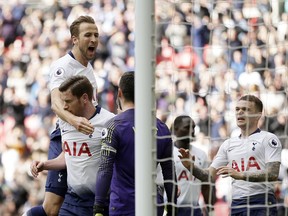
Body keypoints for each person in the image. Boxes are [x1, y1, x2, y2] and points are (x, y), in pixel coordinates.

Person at [24, 15, 100, 216]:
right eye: (88, 35)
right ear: (74, 39)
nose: (93, 39)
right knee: (51, 208)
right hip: (66, 137)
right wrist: (76, 121)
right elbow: (56, 103)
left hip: (85, 140)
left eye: (96, 35)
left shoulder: (89, 70)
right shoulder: (63, 66)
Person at [179, 94, 282, 216]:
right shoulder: (228, 144)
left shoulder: (268, 138)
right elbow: (209, 176)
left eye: (246, 109)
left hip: (261, 201)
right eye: (237, 109)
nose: (240, 112)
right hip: (237, 203)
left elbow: (273, 174)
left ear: (258, 115)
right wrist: (191, 167)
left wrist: (241, 175)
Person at [93, 71, 178, 216]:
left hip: (123, 206)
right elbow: (169, 174)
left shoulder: (113, 127)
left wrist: (98, 208)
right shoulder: (162, 128)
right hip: (153, 206)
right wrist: (171, 207)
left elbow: (105, 169)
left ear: (119, 93)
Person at [30, 75, 115, 215]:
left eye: (68, 101)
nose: (64, 107)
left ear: (84, 99)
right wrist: (45, 165)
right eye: (63, 101)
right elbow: (69, 155)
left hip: (100, 203)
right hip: (72, 201)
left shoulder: (109, 122)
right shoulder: (64, 122)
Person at [171, 115, 216, 215]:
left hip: (194, 209)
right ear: (176, 129)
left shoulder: (201, 154)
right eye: (187, 127)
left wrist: (211, 210)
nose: (192, 131)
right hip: (171, 208)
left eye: (193, 127)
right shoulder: (166, 154)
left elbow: (206, 185)